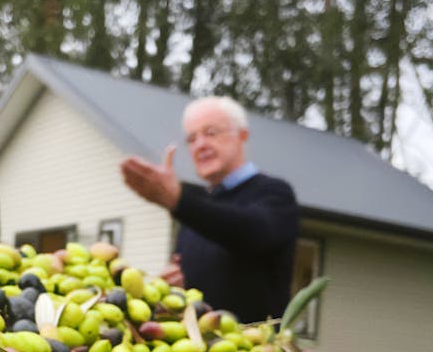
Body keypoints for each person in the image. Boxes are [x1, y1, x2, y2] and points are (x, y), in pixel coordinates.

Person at [120, 96, 300, 322]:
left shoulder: (275, 193)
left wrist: (179, 200)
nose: (200, 145)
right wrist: (172, 286)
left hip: (256, 351)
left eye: (211, 133)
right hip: (199, 351)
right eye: (192, 138)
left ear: (242, 135)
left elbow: (251, 232)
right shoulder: (195, 212)